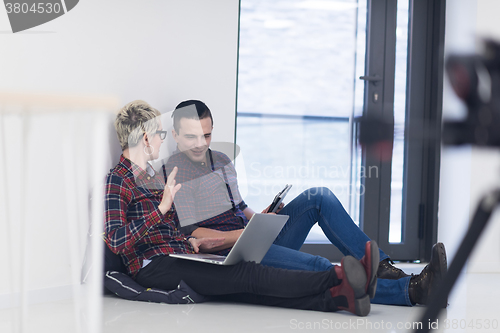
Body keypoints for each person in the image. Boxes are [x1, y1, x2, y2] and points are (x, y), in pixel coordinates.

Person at [104, 100, 379, 316]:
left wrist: (191, 242)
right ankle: (338, 276)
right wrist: (162, 208)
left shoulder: (154, 177)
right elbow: (117, 241)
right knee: (245, 274)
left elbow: (174, 230)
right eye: (159, 134)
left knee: (244, 290)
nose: (162, 140)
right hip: (153, 265)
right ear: (145, 138)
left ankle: (338, 298)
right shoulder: (119, 179)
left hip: (182, 253)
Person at [164, 100, 448, 307]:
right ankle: (413, 290)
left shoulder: (221, 160)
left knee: (319, 196)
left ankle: (385, 267)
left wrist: (262, 217)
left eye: (207, 134)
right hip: (232, 254)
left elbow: (239, 208)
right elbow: (195, 236)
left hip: (253, 238)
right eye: (192, 137)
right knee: (318, 264)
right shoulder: (174, 173)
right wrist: (245, 236)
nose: (201, 143)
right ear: (175, 135)